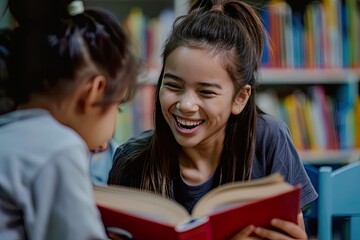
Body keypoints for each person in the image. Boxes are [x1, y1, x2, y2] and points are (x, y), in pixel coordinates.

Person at [108, 0, 318, 239]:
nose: (186, 105)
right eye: (173, 85)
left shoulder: (270, 139)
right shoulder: (131, 161)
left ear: (240, 98)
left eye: (206, 92)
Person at [0, 0, 139, 239]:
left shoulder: (10, 130)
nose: (106, 142)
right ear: (95, 90)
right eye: (116, 108)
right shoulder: (58, 148)